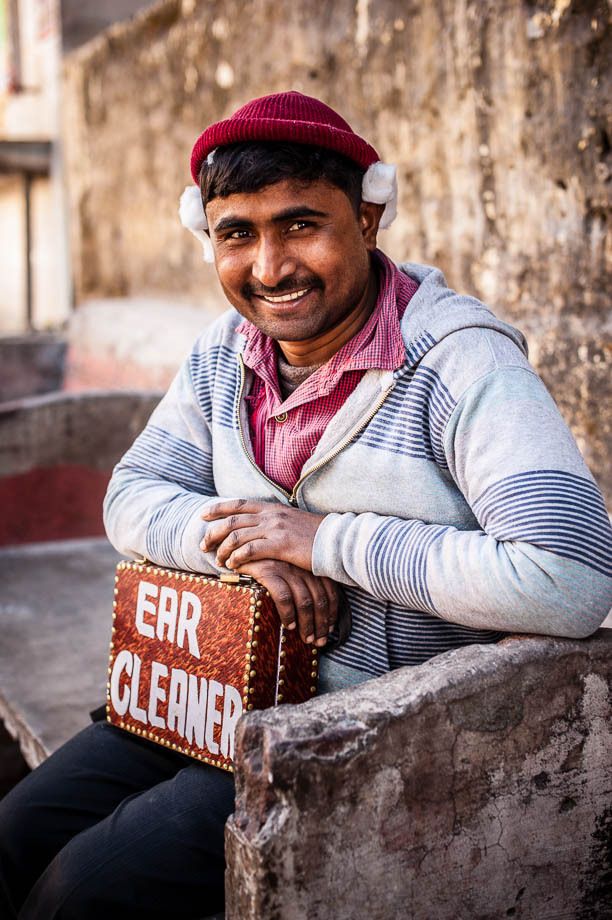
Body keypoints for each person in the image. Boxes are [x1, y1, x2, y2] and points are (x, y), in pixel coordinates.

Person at [1, 91, 610, 919]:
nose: (270, 267)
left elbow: (567, 576)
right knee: (14, 830)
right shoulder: (226, 352)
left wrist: (322, 541)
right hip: (211, 690)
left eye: (300, 224)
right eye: (236, 234)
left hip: (361, 736)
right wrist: (250, 546)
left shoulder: (460, 362)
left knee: (84, 892)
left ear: (366, 218)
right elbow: (130, 498)